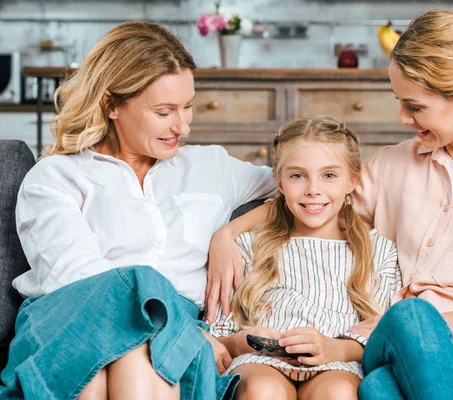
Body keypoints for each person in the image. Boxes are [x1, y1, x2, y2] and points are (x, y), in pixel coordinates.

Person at [205, 9, 453, 400]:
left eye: (414, 106)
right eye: (400, 102)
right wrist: (228, 233)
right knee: (383, 370)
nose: (402, 118)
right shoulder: (393, 166)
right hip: (395, 345)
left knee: (392, 359)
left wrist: (422, 327)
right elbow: (316, 201)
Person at [0, 21, 276, 400]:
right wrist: (182, 328)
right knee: (132, 327)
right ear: (111, 105)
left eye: (188, 107)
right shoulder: (57, 177)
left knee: (137, 359)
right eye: (164, 112)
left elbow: (309, 188)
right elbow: (79, 281)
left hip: (172, 341)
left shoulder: (212, 167)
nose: (183, 125)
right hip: (70, 322)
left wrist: (227, 233)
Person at [208, 116, 402, 400]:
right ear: (280, 182)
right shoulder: (249, 245)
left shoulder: (377, 250)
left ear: (353, 181)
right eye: (298, 175)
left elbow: (381, 333)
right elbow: (217, 332)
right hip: (259, 361)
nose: (313, 189)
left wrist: (335, 348)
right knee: (264, 390)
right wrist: (241, 343)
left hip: (338, 360)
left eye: (329, 175)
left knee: (337, 392)